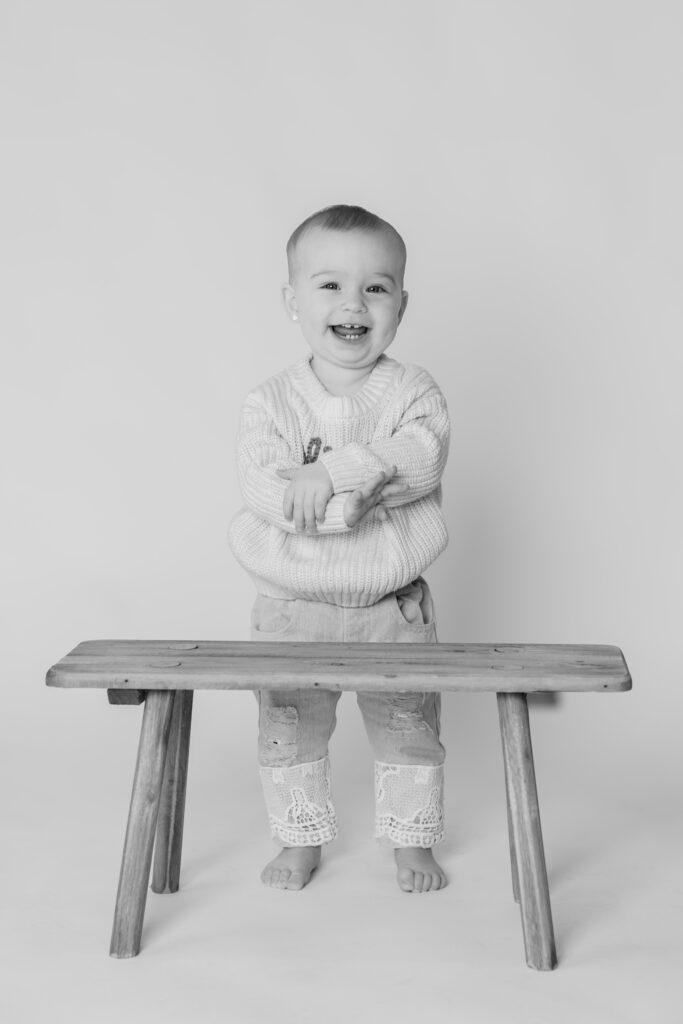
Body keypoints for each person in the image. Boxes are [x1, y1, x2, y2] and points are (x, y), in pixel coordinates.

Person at [228, 204, 450, 894]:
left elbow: (418, 462)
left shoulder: (413, 392)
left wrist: (328, 476)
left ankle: (412, 844)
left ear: (400, 305)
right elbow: (267, 494)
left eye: (375, 288)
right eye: (329, 285)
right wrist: (356, 501)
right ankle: (299, 839)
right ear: (292, 301)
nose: (353, 303)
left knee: (408, 728)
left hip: (391, 606)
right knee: (288, 731)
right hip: (293, 606)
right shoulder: (270, 403)